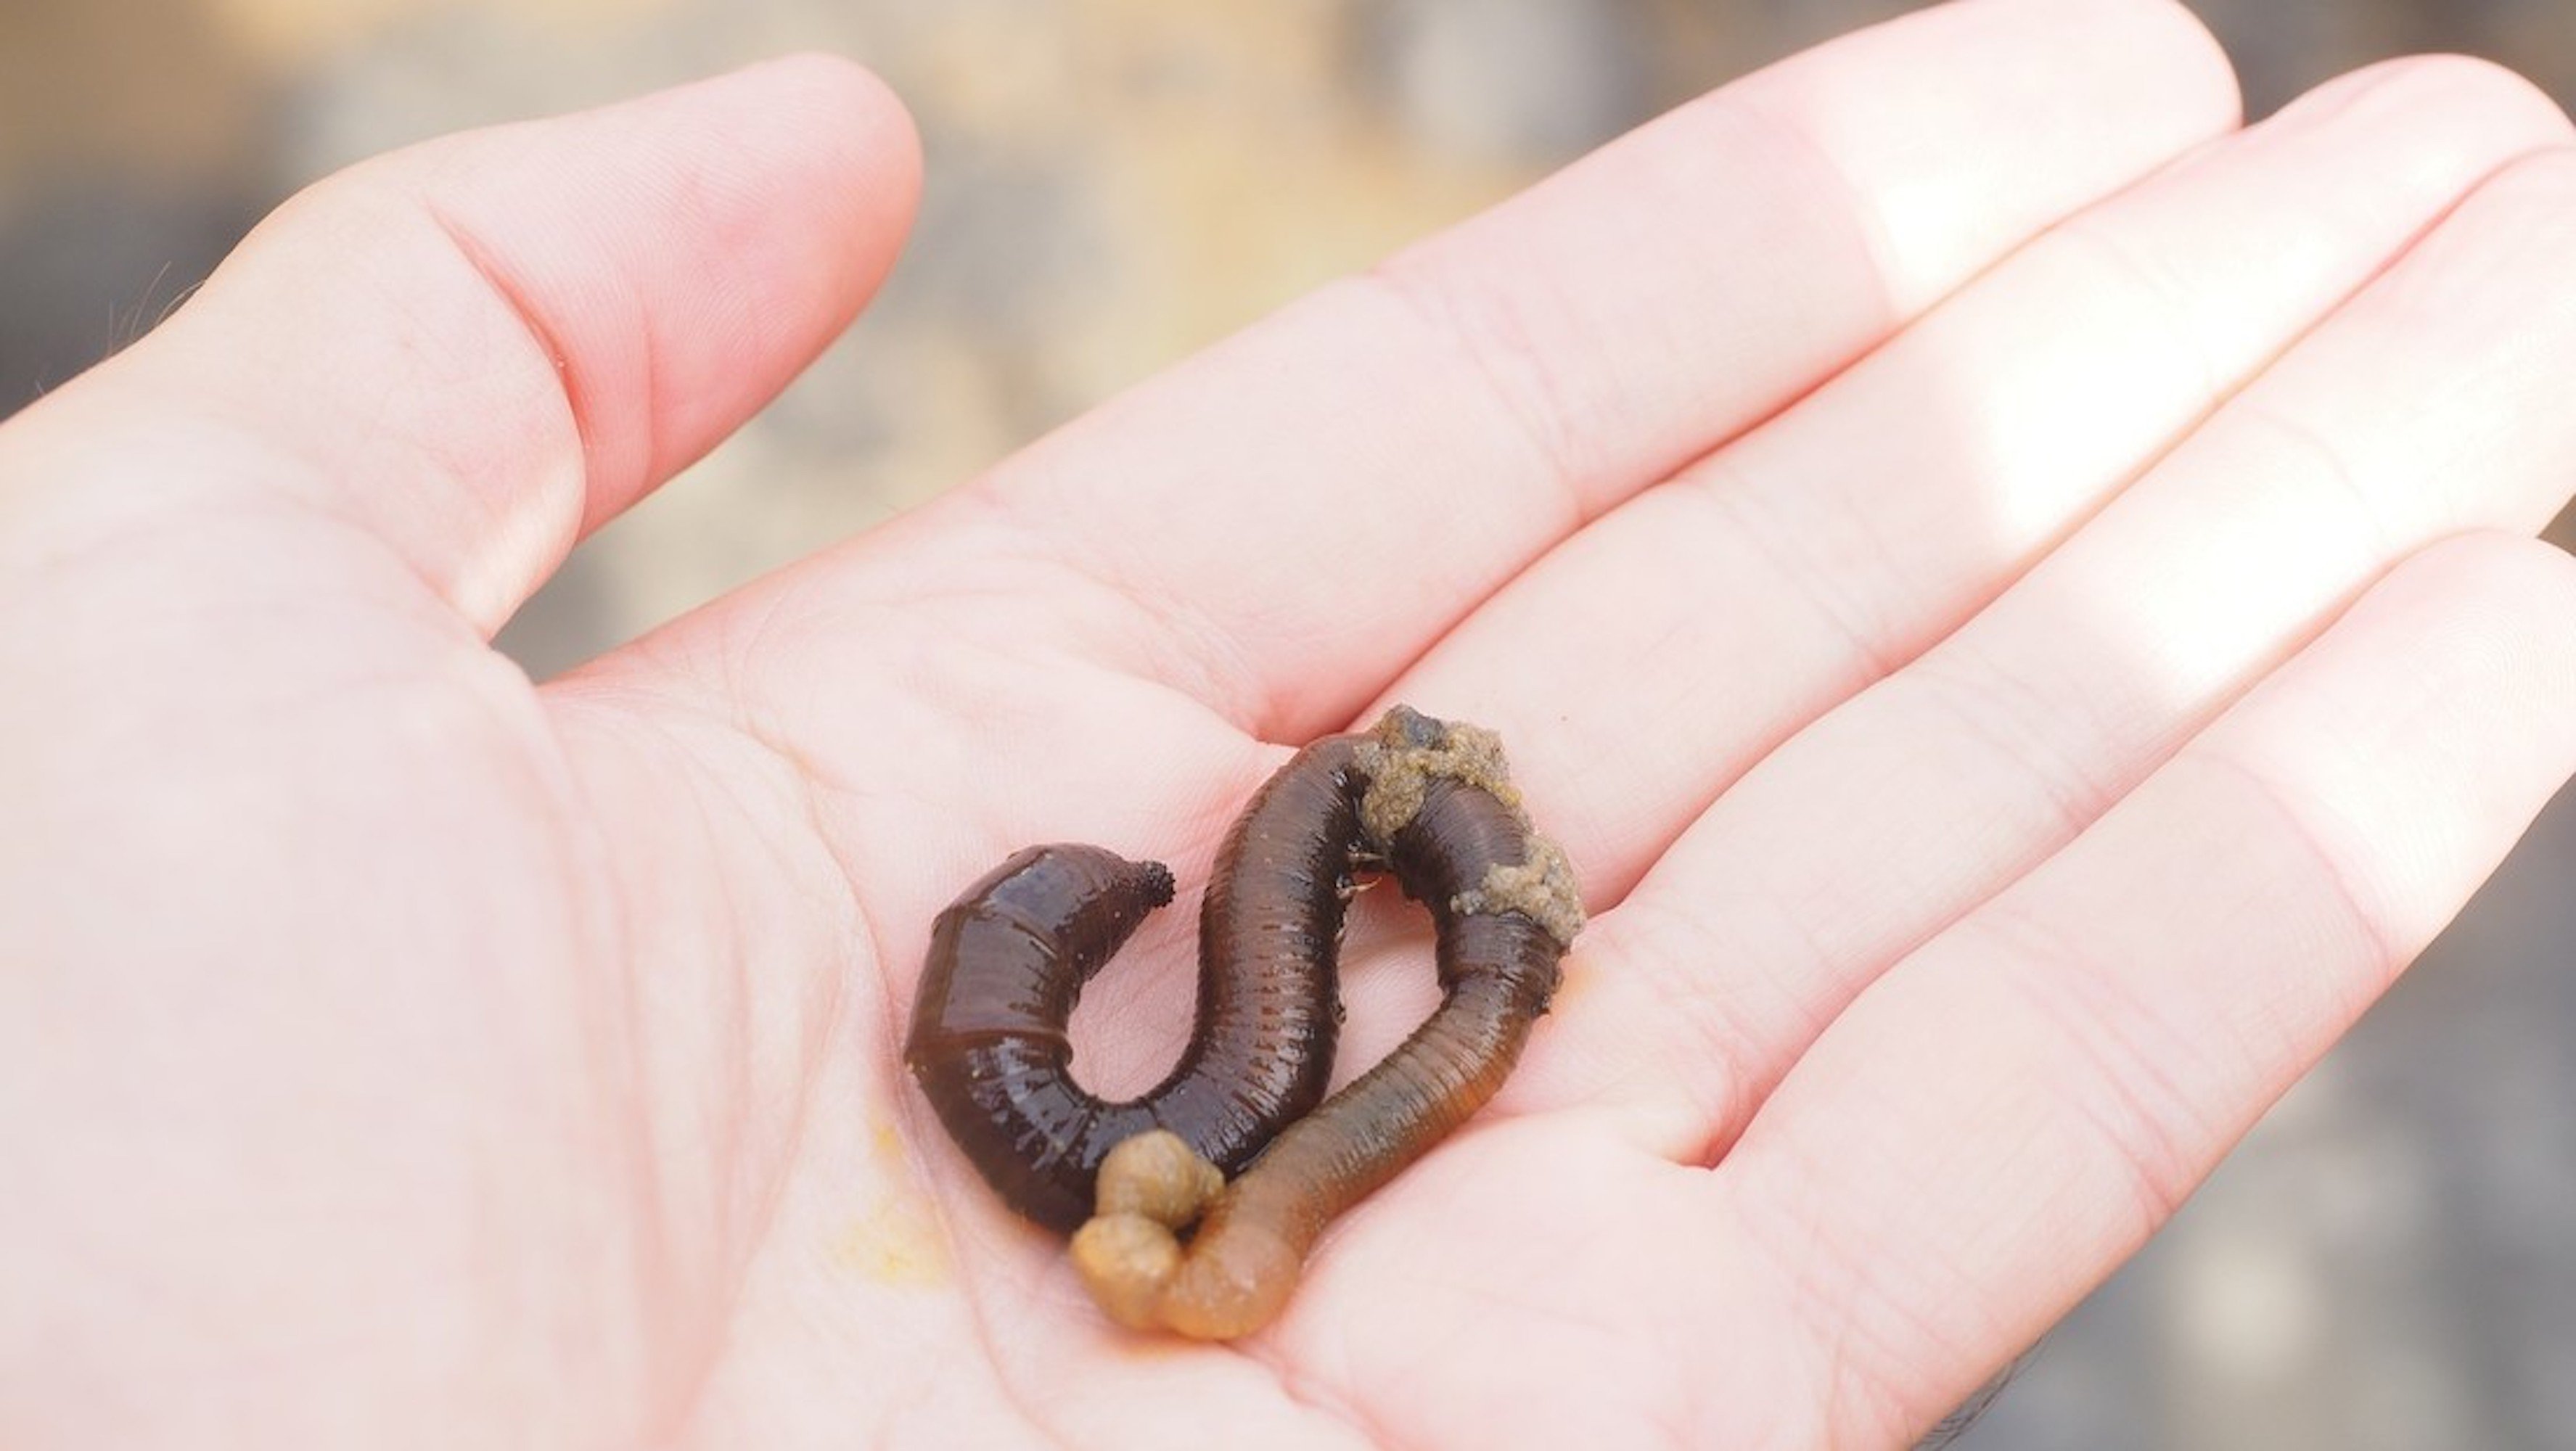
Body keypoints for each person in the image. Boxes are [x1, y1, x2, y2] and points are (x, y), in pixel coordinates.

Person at [7, 0, 2575, 1444]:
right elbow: (1152, 1082)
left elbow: (1193, 1078)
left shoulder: (1253, 1038)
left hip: (1298, 987)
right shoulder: (1194, 1085)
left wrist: (1342, 1017)